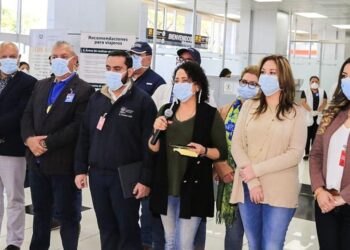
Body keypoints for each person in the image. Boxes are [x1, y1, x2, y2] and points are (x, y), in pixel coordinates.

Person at [74, 50, 157, 250]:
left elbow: (151, 147)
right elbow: (84, 136)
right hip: (98, 174)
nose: (111, 73)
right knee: (106, 228)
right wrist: (79, 169)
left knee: (127, 228)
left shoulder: (142, 101)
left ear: (129, 70)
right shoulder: (97, 98)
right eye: (108, 68)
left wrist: (145, 180)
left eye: (117, 69)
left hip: (126, 176)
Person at [21, 41, 95, 250]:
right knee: (40, 214)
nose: (58, 60)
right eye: (54, 56)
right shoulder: (41, 85)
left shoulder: (84, 90)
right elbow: (27, 116)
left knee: (68, 216)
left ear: (75, 61)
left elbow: (77, 127)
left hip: (64, 165)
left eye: (63, 56)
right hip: (37, 164)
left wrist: (45, 142)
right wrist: (29, 140)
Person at [230, 55, 307, 250]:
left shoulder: (296, 112)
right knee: (254, 245)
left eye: (272, 73)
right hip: (248, 187)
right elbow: (237, 145)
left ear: (284, 78)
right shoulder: (249, 106)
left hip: (280, 188)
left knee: (272, 245)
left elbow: (295, 153)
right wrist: (253, 180)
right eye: (263, 72)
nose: (266, 77)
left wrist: (257, 170)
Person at [149, 61, 227, 250]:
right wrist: (155, 130)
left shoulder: (209, 115)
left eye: (185, 80)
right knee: (170, 241)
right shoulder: (166, 111)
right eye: (177, 80)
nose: (180, 84)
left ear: (197, 85)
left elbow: (221, 151)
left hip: (194, 187)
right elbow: (153, 147)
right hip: (166, 185)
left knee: (184, 243)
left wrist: (203, 150)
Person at [214, 65, 260, 250]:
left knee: (255, 233)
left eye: (253, 84)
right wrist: (220, 166)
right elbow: (218, 142)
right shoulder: (227, 110)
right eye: (244, 82)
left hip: (254, 179)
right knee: (233, 230)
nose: (247, 86)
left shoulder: (263, 113)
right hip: (230, 179)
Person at [309, 57, 350, 250]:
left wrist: (343, 197)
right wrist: (319, 190)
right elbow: (316, 154)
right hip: (325, 201)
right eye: (344, 76)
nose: (347, 80)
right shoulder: (332, 112)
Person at [0, 42, 36, 250]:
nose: (8, 59)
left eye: (12, 56)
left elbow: (21, 114)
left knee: (14, 197)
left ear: (19, 56)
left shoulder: (29, 83)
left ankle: (13, 242)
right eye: (4, 55)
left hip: (13, 150)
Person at [301, 75, 327, 160]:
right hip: (309, 116)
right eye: (312, 81)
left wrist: (318, 111)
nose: (314, 83)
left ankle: (314, 154)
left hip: (318, 116)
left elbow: (324, 102)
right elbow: (303, 102)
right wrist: (311, 111)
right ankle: (307, 153)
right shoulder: (305, 91)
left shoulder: (322, 91)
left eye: (316, 81)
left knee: (315, 137)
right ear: (309, 83)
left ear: (319, 83)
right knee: (307, 136)